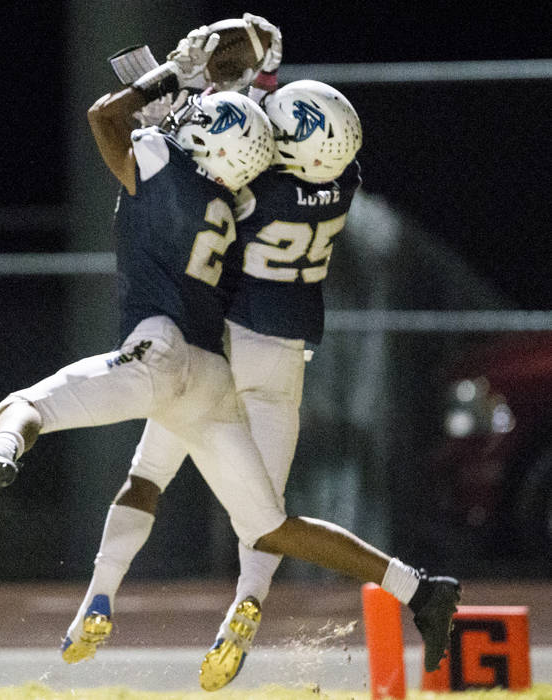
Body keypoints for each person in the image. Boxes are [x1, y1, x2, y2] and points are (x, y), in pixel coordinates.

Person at [0, 23, 459, 690]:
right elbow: (246, 145)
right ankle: (414, 589)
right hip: (235, 369)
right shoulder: (327, 181)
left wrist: (180, 79)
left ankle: (7, 464)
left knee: (50, 420)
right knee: (269, 523)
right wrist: (226, 95)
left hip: (180, 351)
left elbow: (132, 124)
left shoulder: (206, 179)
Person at [61, 18, 373, 692]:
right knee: (266, 514)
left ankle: (98, 595)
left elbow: (221, 151)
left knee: (148, 473)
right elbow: (280, 136)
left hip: (221, 341)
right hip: (284, 352)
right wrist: (263, 84)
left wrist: (194, 89)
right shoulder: (343, 180)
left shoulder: (253, 187)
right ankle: (245, 607)